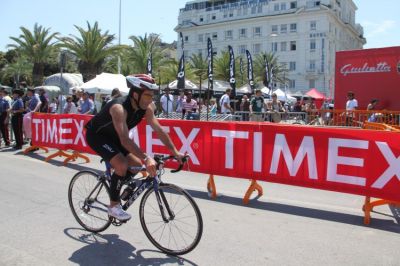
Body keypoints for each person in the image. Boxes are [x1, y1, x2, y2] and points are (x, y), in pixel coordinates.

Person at [85, 74, 184, 221]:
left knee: (136, 165)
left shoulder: (147, 107)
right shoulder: (119, 108)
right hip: (97, 136)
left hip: (116, 137)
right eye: (147, 95)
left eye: (152, 96)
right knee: (122, 164)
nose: (151, 99)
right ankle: (113, 206)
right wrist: (146, 158)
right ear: (135, 94)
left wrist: (175, 152)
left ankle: (116, 185)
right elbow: (125, 140)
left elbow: (159, 130)